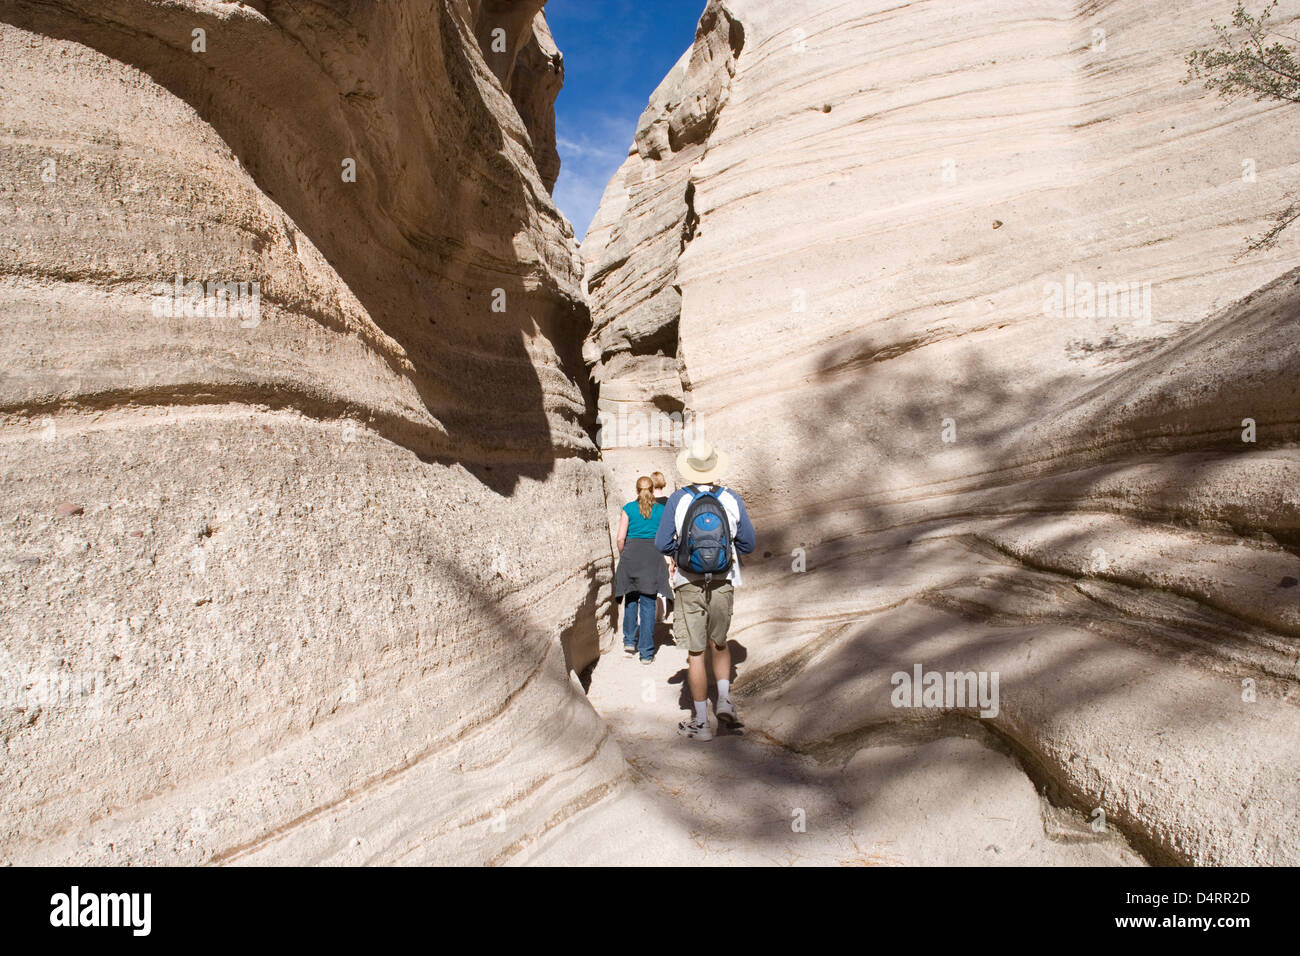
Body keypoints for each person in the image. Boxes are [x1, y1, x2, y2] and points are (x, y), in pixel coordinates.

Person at [655, 440, 756, 741]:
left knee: (696, 652)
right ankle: (724, 701)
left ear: (689, 470)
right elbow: (749, 544)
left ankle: (700, 723)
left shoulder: (677, 499)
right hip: (723, 580)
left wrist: (682, 552)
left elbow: (662, 543)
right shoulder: (731, 498)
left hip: (687, 582)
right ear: (715, 468)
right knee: (720, 643)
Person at [614, 476, 672, 664]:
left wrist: (624, 555)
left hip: (631, 555)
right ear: (653, 489)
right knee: (648, 603)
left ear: (636, 489)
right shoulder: (662, 510)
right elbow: (667, 536)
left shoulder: (628, 508)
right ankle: (646, 653)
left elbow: (620, 538)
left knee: (631, 599)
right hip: (652, 557)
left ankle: (629, 642)